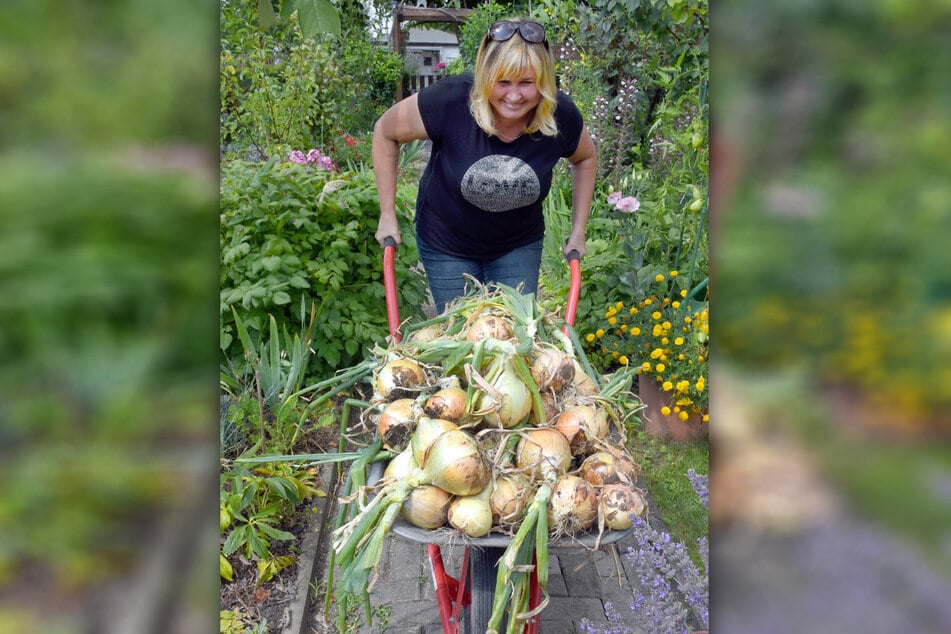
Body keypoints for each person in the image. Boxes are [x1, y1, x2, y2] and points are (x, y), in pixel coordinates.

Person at [372, 18, 597, 314]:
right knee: (462, 337)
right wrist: (387, 214)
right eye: (503, 82)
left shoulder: (559, 115)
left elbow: (585, 158)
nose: (514, 96)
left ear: (542, 81)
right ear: (484, 75)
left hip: (517, 245)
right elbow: (385, 132)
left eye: (527, 83)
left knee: (514, 338)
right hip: (446, 245)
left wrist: (578, 230)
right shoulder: (450, 101)